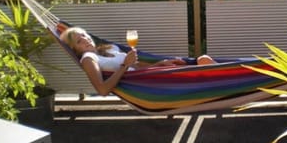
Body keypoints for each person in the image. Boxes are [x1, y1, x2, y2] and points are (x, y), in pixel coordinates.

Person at [60, 27, 215, 96]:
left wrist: (160, 64)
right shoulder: (89, 59)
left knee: (203, 60)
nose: (86, 40)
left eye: (85, 35)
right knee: (204, 65)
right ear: (75, 48)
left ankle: (231, 78)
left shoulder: (108, 49)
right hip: (148, 85)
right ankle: (231, 81)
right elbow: (102, 90)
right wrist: (124, 65)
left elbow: (137, 67)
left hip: (149, 76)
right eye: (80, 41)